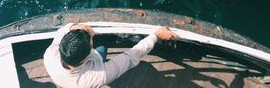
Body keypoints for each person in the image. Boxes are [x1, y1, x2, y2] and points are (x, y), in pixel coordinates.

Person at [44, 23, 179, 88]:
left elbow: (62, 31)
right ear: (86, 57)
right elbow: (131, 57)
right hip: (85, 81)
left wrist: (73, 26)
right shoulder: (99, 75)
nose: (92, 36)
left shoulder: (50, 54)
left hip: (65, 80)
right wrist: (156, 36)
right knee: (102, 48)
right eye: (91, 41)